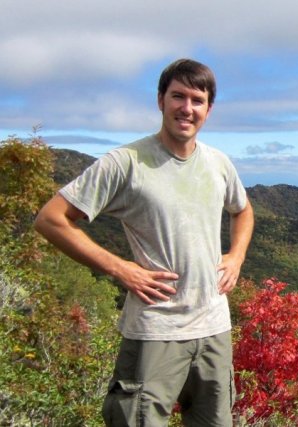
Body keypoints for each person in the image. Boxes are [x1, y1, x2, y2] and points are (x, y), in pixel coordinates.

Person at [34, 58, 254, 426]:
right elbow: (51, 219)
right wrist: (120, 268)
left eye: (197, 100)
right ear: (160, 101)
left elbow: (243, 211)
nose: (187, 108)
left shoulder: (219, 164)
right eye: (178, 96)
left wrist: (236, 256)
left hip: (215, 327)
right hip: (156, 330)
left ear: (208, 109)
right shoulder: (126, 163)